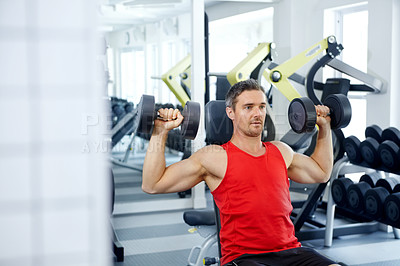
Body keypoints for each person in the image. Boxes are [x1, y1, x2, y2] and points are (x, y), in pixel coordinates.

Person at [142, 79, 339, 266]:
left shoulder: (281, 151)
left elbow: (321, 173)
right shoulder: (214, 157)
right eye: (248, 107)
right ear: (231, 112)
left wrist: (324, 126)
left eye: (262, 106)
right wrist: (160, 131)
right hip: (245, 258)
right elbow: (153, 184)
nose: (258, 113)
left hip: (291, 252)